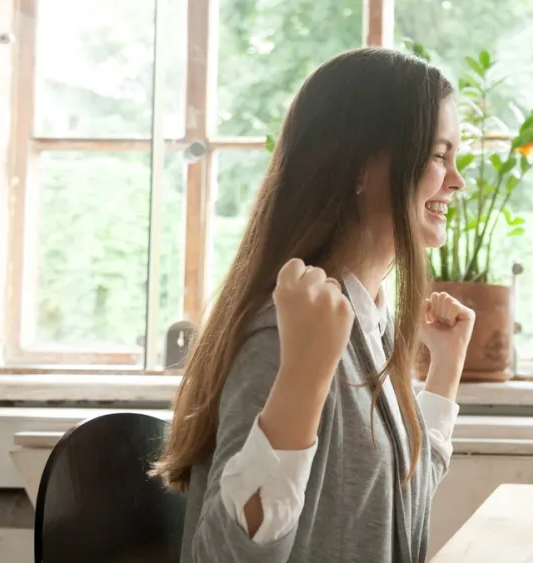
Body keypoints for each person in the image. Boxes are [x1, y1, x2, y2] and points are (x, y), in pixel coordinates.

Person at [151, 47, 473, 563]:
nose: (457, 180)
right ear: (365, 167)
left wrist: (444, 374)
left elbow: (394, 506)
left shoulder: (368, 323)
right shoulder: (287, 335)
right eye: (439, 156)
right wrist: (303, 370)